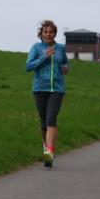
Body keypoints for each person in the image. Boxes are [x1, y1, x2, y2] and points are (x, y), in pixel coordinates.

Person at [24, 19, 69, 168]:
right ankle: (45, 147)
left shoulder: (61, 48)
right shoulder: (36, 47)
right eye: (46, 32)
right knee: (43, 123)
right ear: (41, 34)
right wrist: (44, 57)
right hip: (39, 88)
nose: (48, 34)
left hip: (57, 88)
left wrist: (65, 68)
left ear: (55, 33)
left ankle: (50, 153)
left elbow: (65, 64)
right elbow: (28, 66)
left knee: (51, 120)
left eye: (51, 32)